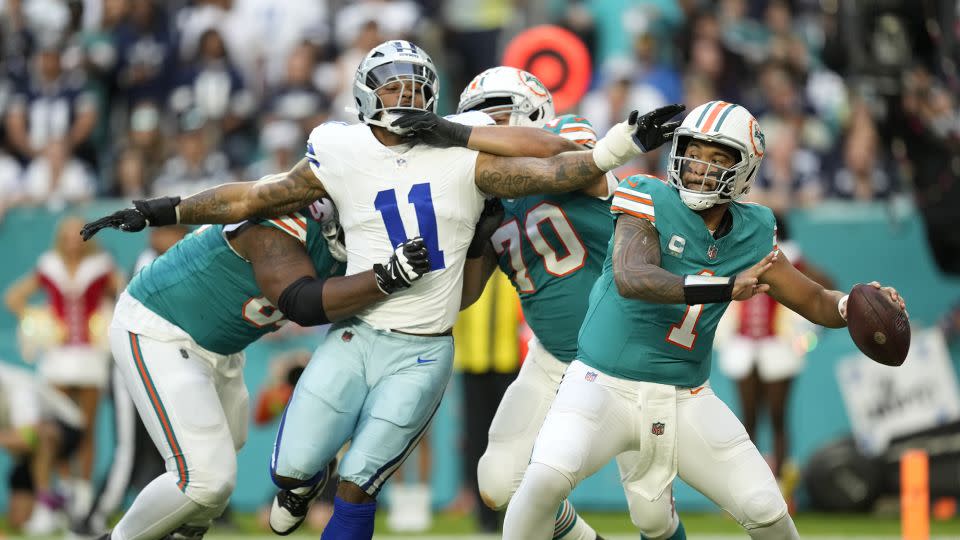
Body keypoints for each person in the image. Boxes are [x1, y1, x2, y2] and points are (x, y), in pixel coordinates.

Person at [79, 40, 659, 540]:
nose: (404, 100)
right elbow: (294, 287)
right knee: (211, 478)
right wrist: (161, 209)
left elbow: (557, 167)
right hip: (167, 329)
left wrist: (608, 149)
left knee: (222, 476)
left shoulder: (450, 159)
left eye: (415, 90)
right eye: (390, 89)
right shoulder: (325, 167)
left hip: (243, 345)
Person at [501, 100, 908, 540]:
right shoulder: (646, 193)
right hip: (601, 386)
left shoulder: (754, 229)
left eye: (718, 158)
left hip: (685, 397)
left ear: (745, 169)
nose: (700, 167)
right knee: (543, 481)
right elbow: (632, 276)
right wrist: (724, 285)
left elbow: (813, 299)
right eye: (694, 153)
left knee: (766, 510)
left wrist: (856, 303)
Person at [91, 198, 430, 540]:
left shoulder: (349, 252)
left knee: (222, 464)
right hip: (161, 328)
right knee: (205, 479)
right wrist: (383, 280)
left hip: (221, 348)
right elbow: (302, 301)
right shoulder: (285, 219)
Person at [455, 66, 686, 540]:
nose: (485, 133)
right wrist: (477, 238)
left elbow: (570, 161)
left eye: (496, 118)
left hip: (627, 354)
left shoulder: (567, 133)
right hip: (552, 356)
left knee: (652, 516)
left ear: (532, 111)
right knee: (499, 483)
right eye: (475, 123)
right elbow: (466, 295)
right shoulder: (479, 189)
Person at [5, 216, 123, 529]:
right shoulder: (49, 265)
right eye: (68, 234)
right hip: (57, 358)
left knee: (87, 428)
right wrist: (39, 320)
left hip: (90, 356)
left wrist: (104, 318)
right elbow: (13, 297)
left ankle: (84, 496)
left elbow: (125, 292)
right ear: (60, 238)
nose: (73, 240)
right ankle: (63, 493)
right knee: (57, 429)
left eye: (79, 234)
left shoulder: (101, 265)